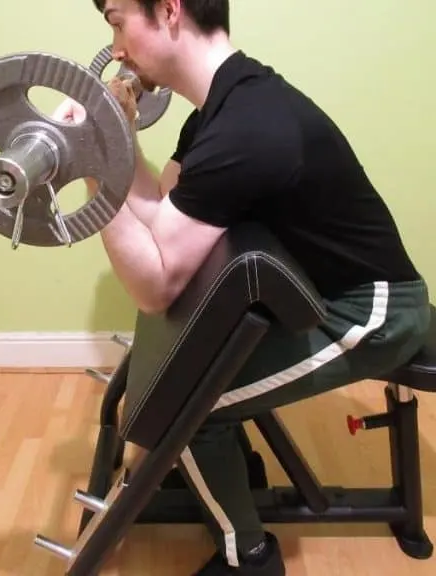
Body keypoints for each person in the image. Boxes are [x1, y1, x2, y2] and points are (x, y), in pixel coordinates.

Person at [54, 0, 430, 574]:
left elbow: (154, 286)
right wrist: (115, 139)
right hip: (313, 296)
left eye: (116, 19)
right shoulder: (216, 112)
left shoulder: (248, 126)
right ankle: (238, 470)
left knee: (187, 414)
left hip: (371, 313)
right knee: (193, 394)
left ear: (171, 10)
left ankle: (247, 557)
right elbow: (163, 221)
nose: (117, 47)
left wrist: (90, 162)